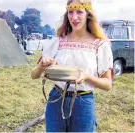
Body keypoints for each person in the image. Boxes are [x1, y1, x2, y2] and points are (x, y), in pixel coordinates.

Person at [31, 0, 113, 132]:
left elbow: (107, 84)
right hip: (56, 99)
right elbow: (34, 75)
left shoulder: (100, 45)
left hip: (83, 103)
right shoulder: (58, 41)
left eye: (79, 12)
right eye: (70, 12)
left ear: (88, 14)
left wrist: (86, 76)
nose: (74, 17)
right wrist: (41, 66)